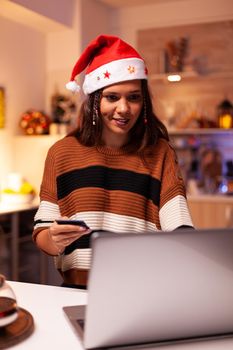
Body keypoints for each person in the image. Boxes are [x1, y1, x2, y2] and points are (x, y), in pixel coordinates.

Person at [32, 34, 193, 289]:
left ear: (144, 102)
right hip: (77, 294)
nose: (124, 108)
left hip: (141, 293)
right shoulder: (61, 153)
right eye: (112, 97)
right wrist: (55, 238)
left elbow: (180, 228)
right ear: (94, 101)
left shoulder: (160, 153)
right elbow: (43, 235)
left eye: (134, 97)